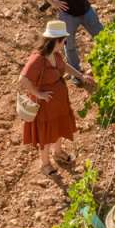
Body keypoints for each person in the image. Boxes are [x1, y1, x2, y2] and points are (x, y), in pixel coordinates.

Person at [18, 21, 92, 177]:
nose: (65, 42)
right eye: (63, 40)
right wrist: (38, 94)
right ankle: (45, 164)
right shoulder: (38, 59)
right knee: (45, 134)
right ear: (56, 40)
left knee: (58, 127)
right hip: (45, 105)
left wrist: (80, 75)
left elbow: (64, 66)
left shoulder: (56, 54)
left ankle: (57, 153)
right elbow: (22, 79)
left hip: (59, 101)